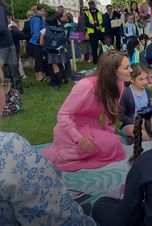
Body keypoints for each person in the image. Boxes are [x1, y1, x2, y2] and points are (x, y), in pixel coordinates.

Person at [0, 67, 96, 226]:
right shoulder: (10, 151)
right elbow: (60, 218)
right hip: (74, 134)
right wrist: (79, 138)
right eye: (1, 83)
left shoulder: (118, 86)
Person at [39, 52, 131, 172]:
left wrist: (109, 136)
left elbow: (110, 113)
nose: (131, 70)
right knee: (111, 144)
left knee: (114, 143)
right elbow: (63, 114)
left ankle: (91, 150)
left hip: (92, 127)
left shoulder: (119, 83)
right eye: (126, 67)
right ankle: (63, 154)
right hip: (71, 130)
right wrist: (78, 138)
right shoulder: (86, 85)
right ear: (112, 70)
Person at [119, 64, 152, 143]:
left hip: (147, 123)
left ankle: (151, 138)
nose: (145, 82)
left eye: (146, 78)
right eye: (141, 79)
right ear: (132, 79)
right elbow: (121, 115)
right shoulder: (126, 94)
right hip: (131, 124)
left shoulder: (149, 93)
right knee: (133, 130)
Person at [40, 13, 67, 88]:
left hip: (50, 50)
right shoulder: (62, 29)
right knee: (60, 64)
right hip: (60, 49)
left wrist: (47, 45)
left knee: (54, 66)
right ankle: (65, 78)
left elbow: (41, 42)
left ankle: (57, 82)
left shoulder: (44, 30)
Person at [29, 4, 46, 81]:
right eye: (41, 11)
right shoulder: (37, 19)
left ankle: (38, 76)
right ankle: (40, 76)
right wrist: (40, 41)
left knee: (38, 59)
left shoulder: (40, 18)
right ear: (37, 11)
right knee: (39, 59)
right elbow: (36, 32)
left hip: (37, 41)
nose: (43, 12)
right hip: (37, 41)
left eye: (44, 11)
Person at [84, 0, 105, 65]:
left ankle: (106, 58)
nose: (91, 6)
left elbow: (104, 21)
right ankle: (95, 61)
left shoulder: (100, 12)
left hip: (101, 32)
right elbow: (87, 23)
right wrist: (95, 27)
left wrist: (100, 26)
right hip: (93, 33)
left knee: (106, 45)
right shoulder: (86, 13)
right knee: (94, 48)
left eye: (92, 4)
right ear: (89, 5)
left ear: (95, 5)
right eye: (90, 4)